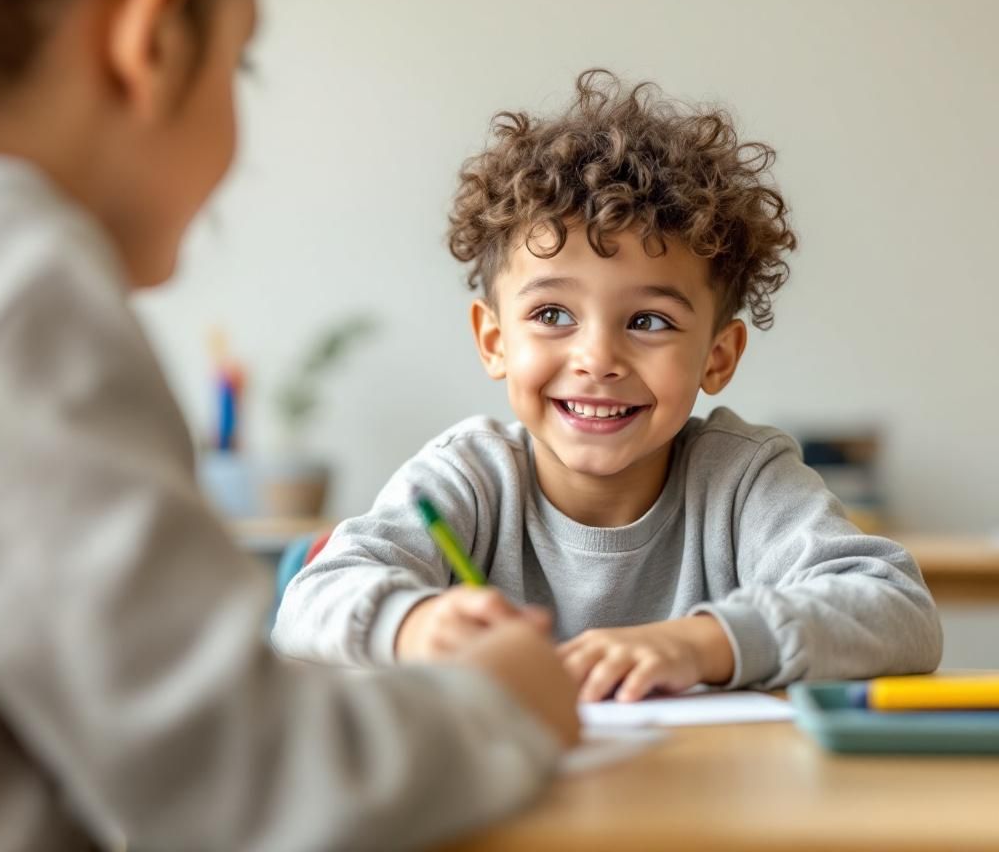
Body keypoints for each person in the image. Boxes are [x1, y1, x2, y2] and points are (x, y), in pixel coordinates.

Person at [0, 0, 579, 849]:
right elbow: (242, 779)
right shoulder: (12, 284)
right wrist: (503, 701)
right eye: (240, 63)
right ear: (158, 35)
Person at [273, 69, 944, 704]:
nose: (597, 358)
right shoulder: (468, 478)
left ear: (717, 356)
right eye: (552, 315)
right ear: (494, 340)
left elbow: (900, 610)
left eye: (648, 321)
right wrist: (415, 624)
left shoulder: (742, 480)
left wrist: (700, 642)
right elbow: (308, 605)